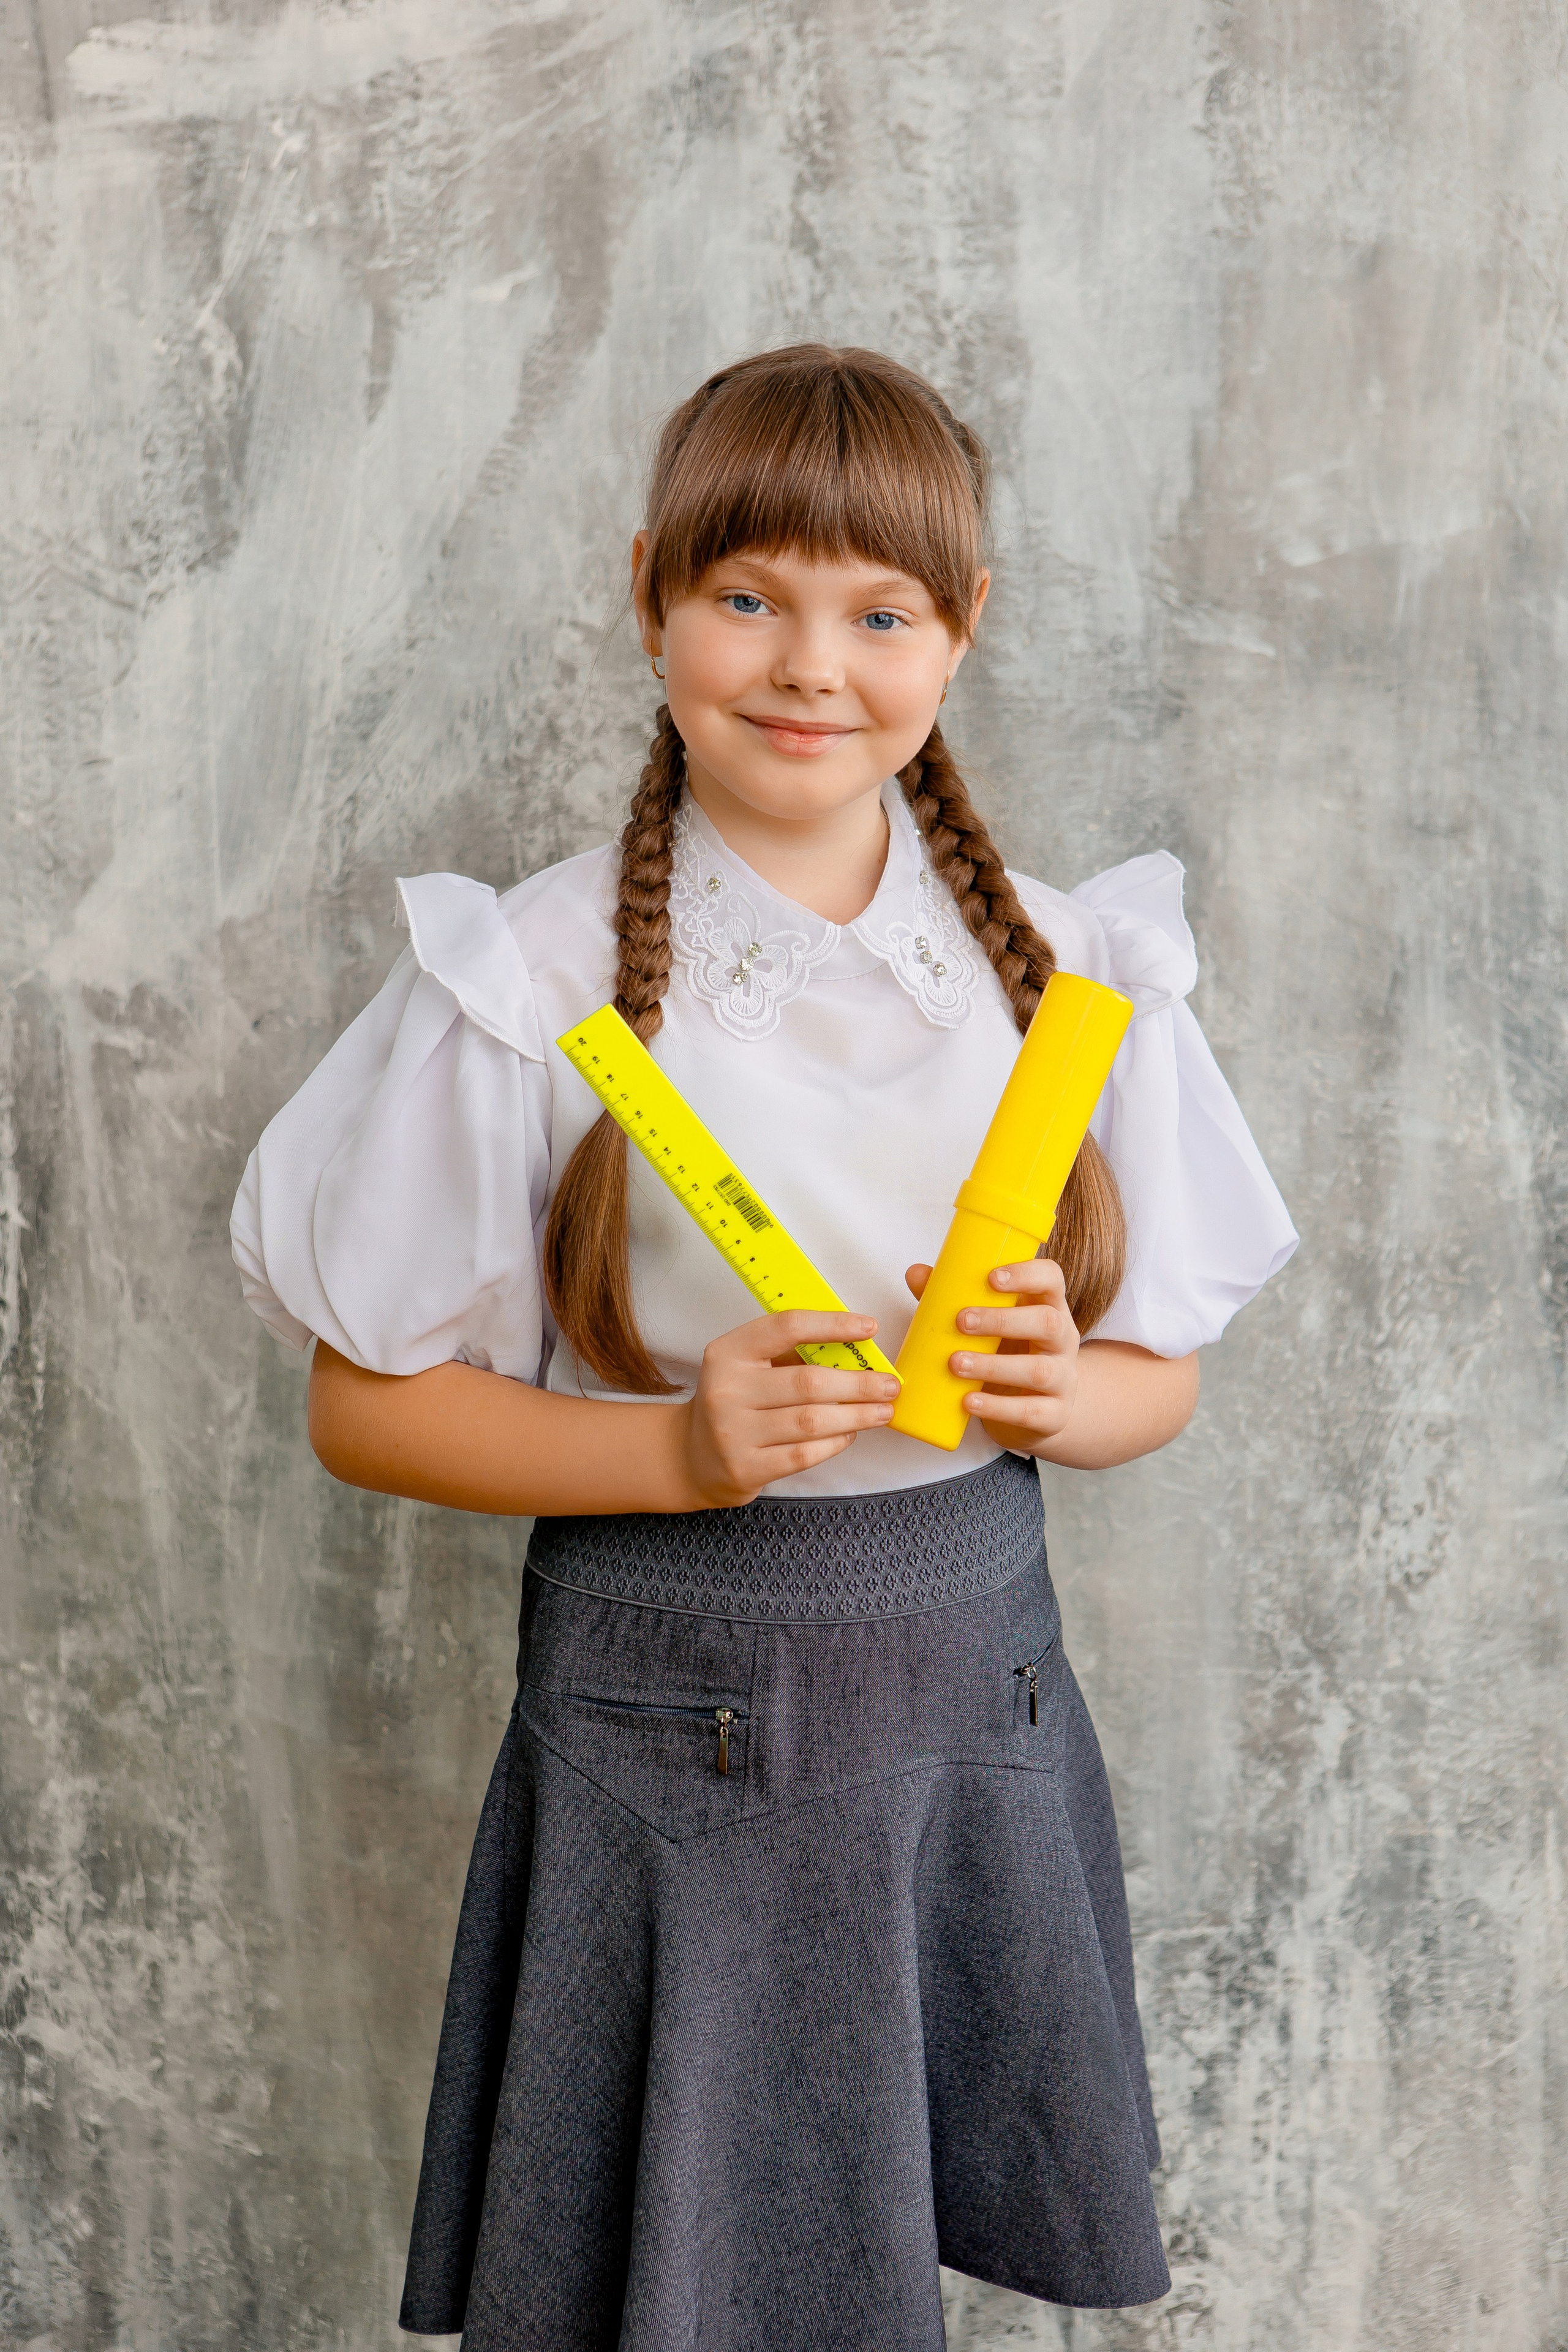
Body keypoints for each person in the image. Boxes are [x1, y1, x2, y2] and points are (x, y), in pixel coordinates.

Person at [232, 345, 1297, 2352]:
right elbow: (360, 1408)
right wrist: (672, 1457)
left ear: (959, 636)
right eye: (749, 599)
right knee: (688, 2277)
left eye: (879, 614)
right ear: (653, 595)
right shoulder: (529, 985)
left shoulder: (1070, 974)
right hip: (671, 1727)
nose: (812, 666)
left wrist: (1078, 1398)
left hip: (970, 1706)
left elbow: (1162, 1381)